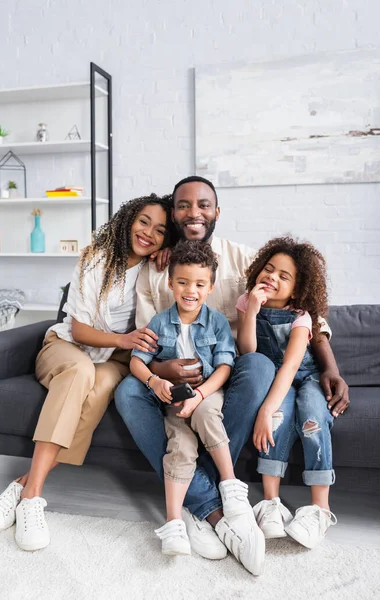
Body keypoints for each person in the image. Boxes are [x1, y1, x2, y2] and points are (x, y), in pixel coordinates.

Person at [114, 176, 350, 575]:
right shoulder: (157, 269)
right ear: (174, 213)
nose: (194, 213)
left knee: (257, 365)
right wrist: (158, 371)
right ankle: (211, 507)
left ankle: (207, 494)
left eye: (204, 205)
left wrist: (329, 366)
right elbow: (145, 340)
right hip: (171, 376)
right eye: (184, 206)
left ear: (217, 212)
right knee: (126, 391)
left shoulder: (242, 258)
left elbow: (302, 309)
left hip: (228, 373)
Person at [0, 193, 175, 552]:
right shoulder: (95, 258)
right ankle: (34, 498)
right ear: (129, 219)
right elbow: (81, 330)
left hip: (114, 360)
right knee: (81, 373)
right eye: (144, 221)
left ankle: (22, 488)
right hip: (66, 347)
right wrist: (126, 337)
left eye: (161, 231)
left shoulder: (157, 270)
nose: (149, 233)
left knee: (99, 387)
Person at [130, 240, 259, 556]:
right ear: (171, 283)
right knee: (181, 446)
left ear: (210, 287)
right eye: (183, 282)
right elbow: (136, 361)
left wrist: (200, 394)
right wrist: (154, 380)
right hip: (174, 399)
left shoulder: (216, 322)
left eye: (200, 284)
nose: (191, 290)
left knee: (203, 413)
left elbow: (226, 366)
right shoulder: (160, 322)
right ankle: (174, 522)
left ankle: (229, 485)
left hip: (208, 393)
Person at [237, 236, 337, 548]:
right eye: (268, 269)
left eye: (283, 276)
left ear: (296, 289)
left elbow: (291, 367)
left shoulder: (301, 316)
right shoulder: (246, 302)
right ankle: (271, 503)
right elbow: (249, 353)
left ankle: (320, 509)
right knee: (279, 418)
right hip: (271, 376)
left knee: (312, 416)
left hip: (303, 375)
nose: (271, 277)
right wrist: (252, 312)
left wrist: (263, 410)